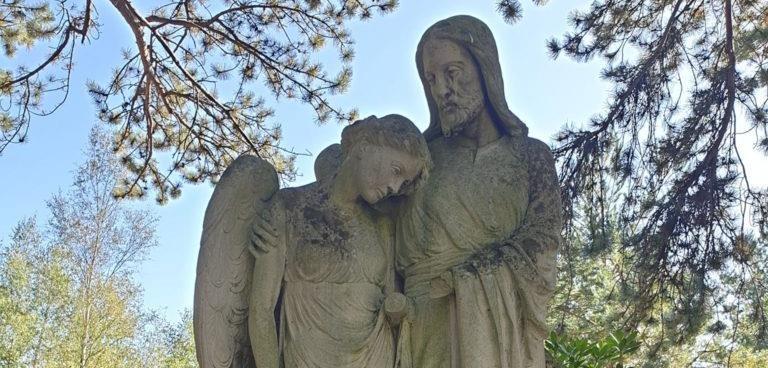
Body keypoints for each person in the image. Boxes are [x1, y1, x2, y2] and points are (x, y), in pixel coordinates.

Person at [393, 15, 562, 368]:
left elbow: (543, 242)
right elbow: (375, 226)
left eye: (452, 72)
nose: (442, 90)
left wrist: (466, 279)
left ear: (485, 70)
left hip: (503, 339)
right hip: (425, 333)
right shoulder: (420, 160)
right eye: (431, 79)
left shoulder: (531, 156)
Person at [248, 114, 432, 368]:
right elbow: (261, 310)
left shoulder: (383, 226)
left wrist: (400, 307)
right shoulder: (290, 208)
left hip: (376, 356)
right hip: (309, 357)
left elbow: (392, 298)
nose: (395, 187)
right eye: (396, 171)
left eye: (403, 183)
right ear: (365, 145)